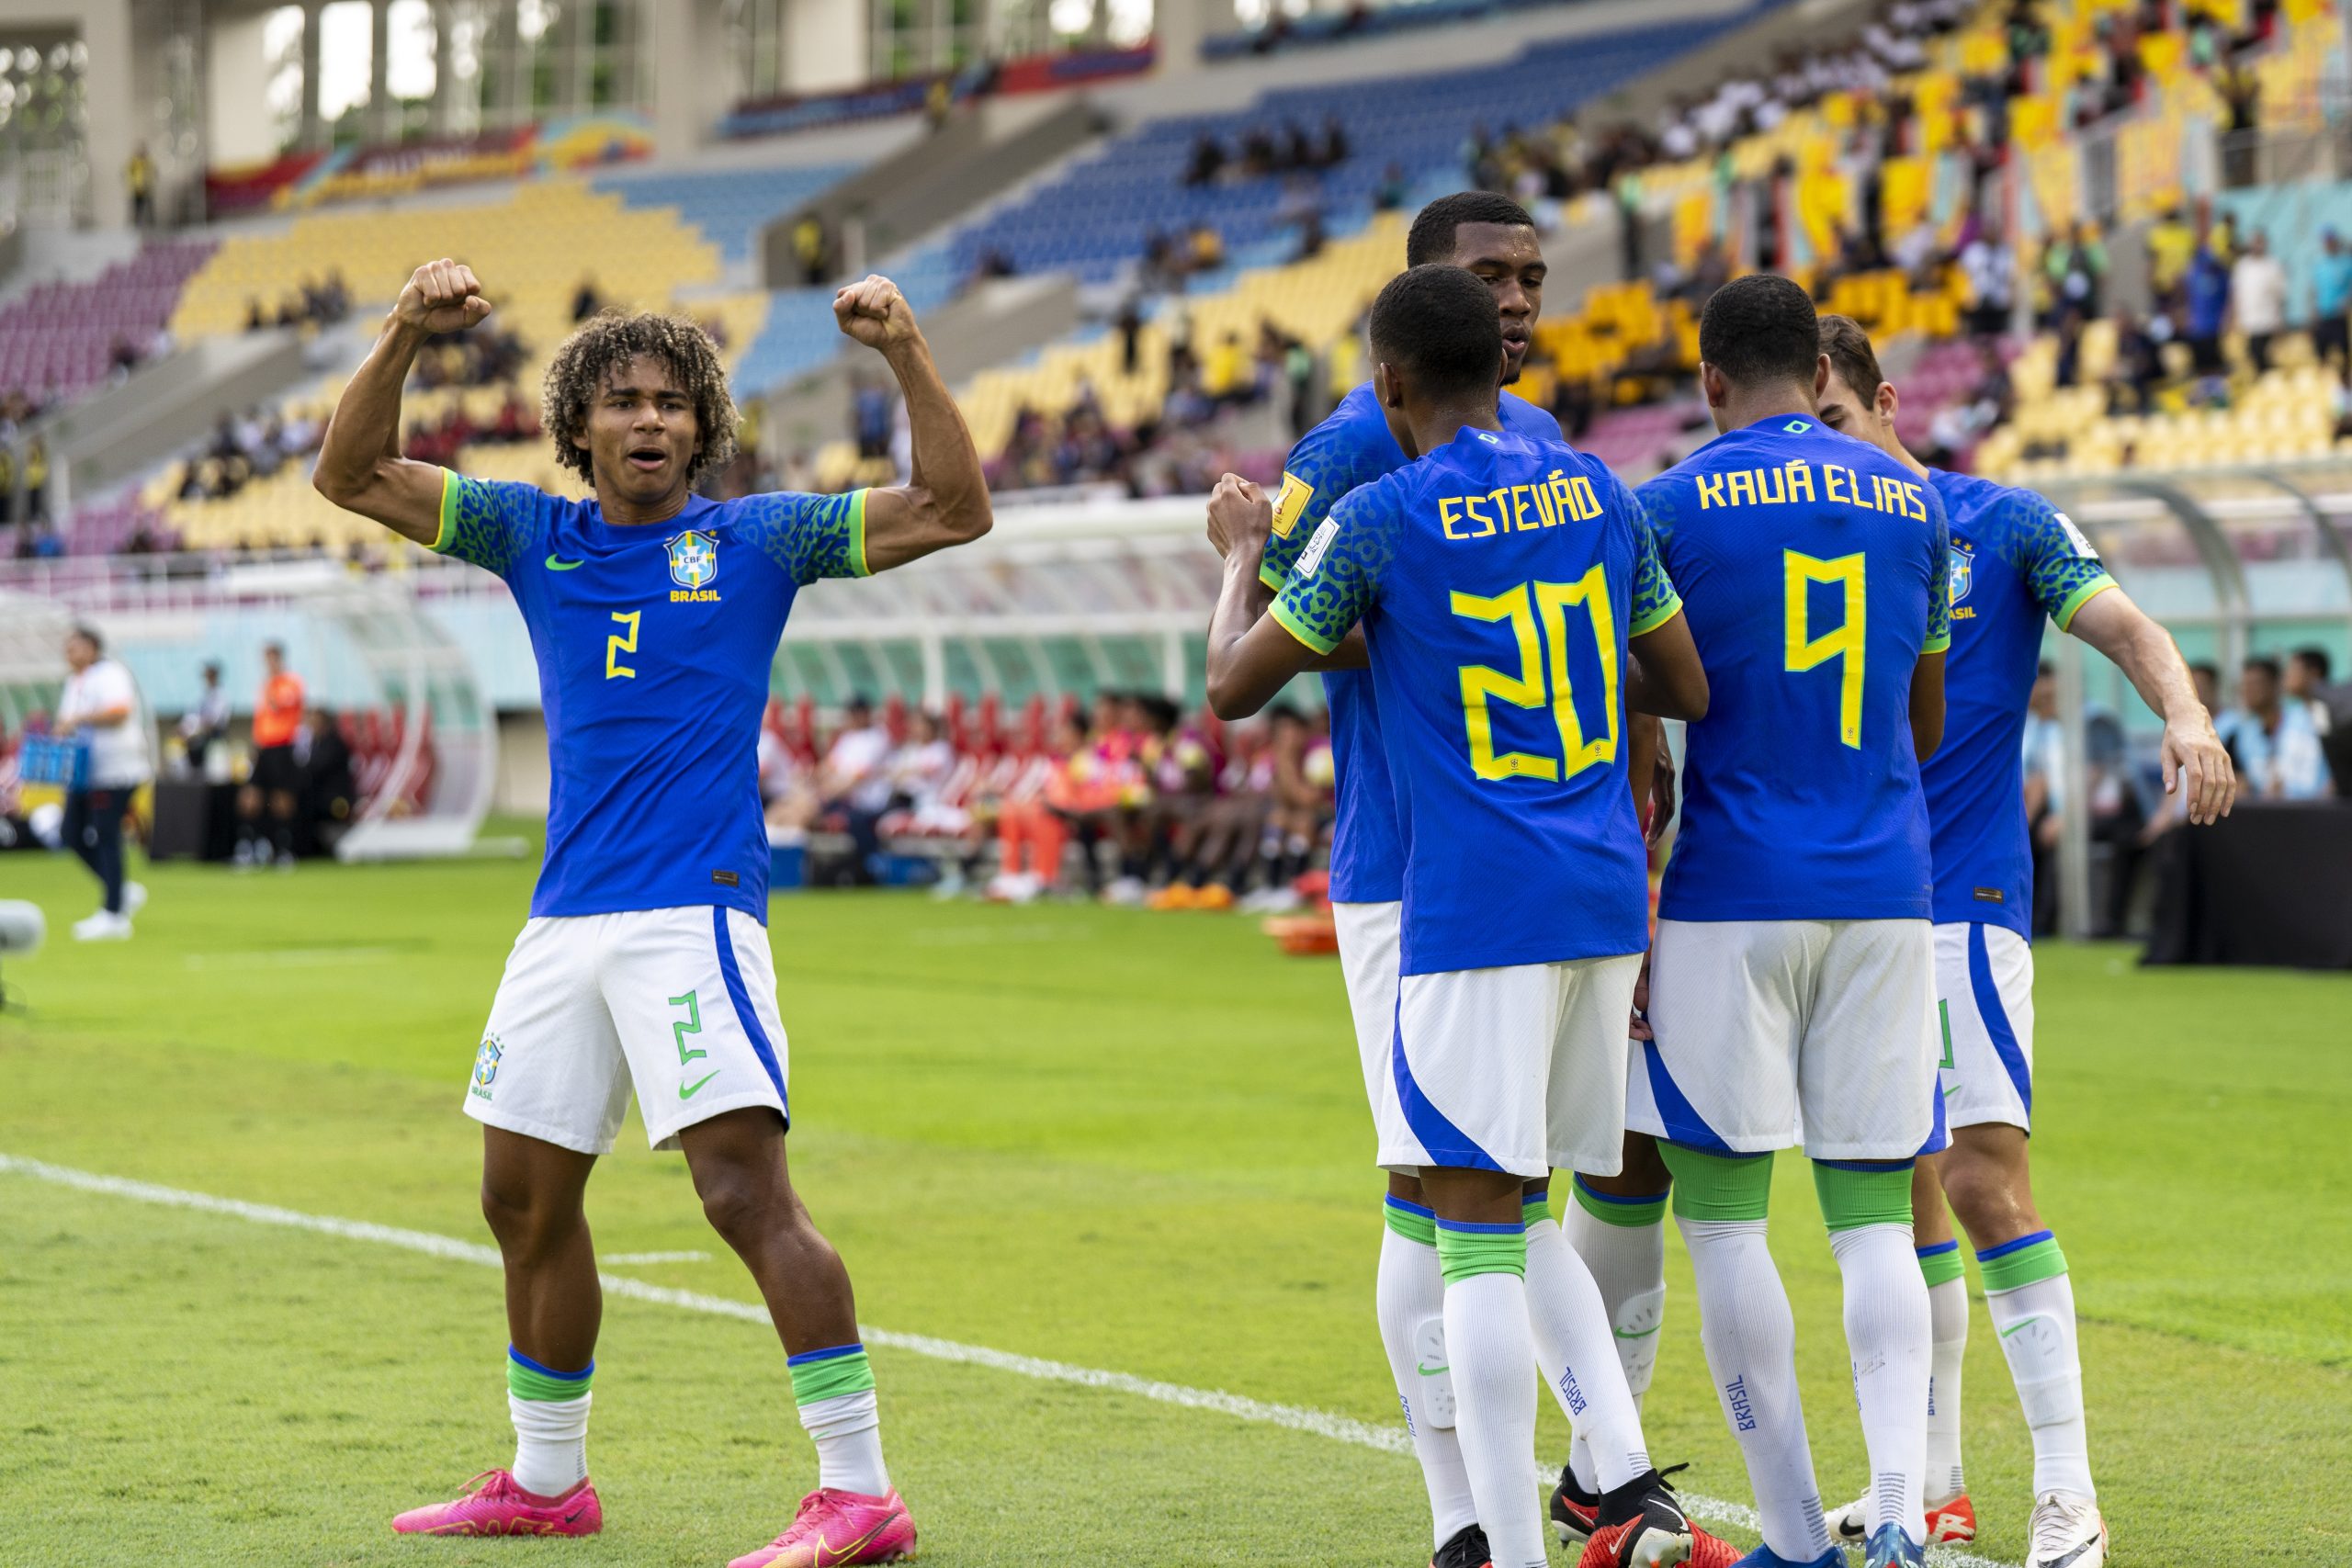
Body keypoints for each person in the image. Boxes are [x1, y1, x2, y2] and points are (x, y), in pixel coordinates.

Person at [311, 255, 989, 1562]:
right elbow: (348, 475)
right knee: (521, 1199)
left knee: (744, 1194)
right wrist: (401, 326)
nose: (650, 422)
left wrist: (904, 349)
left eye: (674, 403)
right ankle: (548, 1476)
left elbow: (956, 507)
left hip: (696, 911)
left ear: (704, 426)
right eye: (623, 401)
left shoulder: (759, 539)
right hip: (562, 919)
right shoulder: (530, 533)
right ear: (581, 426)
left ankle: (860, 1489)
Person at [1203, 261, 1719, 1568]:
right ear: (1502, 369)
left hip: (1468, 899)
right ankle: (1610, 1486)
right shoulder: (1597, 487)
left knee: (1462, 1213)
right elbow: (1686, 684)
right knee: (1519, 1194)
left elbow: (1233, 682)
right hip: (1603, 887)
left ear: (1388, 381)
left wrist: (1241, 555)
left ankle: (1499, 1540)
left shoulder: (1379, 516)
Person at [1812, 313, 2234, 1568]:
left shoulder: (2000, 523)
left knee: (1986, 1174)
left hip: (1962, 906)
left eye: (1836, 420)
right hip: (1848, 908)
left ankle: (2069, 1489)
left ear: (1889, 402)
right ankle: (1934, 1485)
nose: (1820, 447)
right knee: (1898, 1184)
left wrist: (2190, 715)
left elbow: (2128, 627)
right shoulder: (1802, 532)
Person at [1627, 275, 1951, 1568]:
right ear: (1823, 372)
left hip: (1731, 891)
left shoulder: (1666, 505)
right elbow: (1924, 724)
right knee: (1875, 1215)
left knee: (1723, 1219)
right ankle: (1903, 1516)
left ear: (1710, 382)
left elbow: (1638, 704)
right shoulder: (1913, 500)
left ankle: (1801, 1532)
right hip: (1884, 887)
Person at [55, 626, 152, 941]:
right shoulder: (74, 682)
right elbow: (66, 721)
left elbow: (120, 710)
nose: (70, 654)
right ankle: (120, 890)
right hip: (84, 772)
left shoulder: (110, 674)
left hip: (115, 770)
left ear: (93, 648)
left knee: (107, 835)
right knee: (70, 832)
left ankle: (114, 914)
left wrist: (80, 719)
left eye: (76, 647)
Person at [2221, 655, 2329, 798]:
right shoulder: (2242, 734)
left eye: (2255, 684)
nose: (2248, 691)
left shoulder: (2308, 719)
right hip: (2270, 814)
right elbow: (2243, 781)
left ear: (2276, 685)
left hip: (2320, 811)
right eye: (2244, 685)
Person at [236, 641, 305, 869]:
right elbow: (262, 718)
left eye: (272, 658)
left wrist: (273, 686)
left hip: (282, 747)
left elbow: (278, 707)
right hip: (264, 747)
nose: (269, 663)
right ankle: (251, 846)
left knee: (281, 800)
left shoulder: (289, 683)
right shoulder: (266, 685)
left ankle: (284, 849)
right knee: (250, 798)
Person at [820, 696, 895, 883]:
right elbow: (828, 768)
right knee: (796, 806)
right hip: (841, 798)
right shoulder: (847, 738)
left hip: (867, 803)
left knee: (807, 809)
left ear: (863, 715)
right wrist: (809, 782)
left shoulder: (878, 738)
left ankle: (871, 866)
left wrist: (825, 794)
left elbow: (858, 778)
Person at [2228, 230, 2288, 373]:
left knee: (2263, 356)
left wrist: (2279, 320)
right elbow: (2236, 293)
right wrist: (2233, 318)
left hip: (2267, 320)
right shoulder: (2242, 266)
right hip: (2248, 321)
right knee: (2251, 356)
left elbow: (2280, 295)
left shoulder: (2273, 266)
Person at [179, 660, 231, 773]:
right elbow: (194, 716)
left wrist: (197, 729)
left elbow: (214, 721)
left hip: (213, 738)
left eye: (209, 675)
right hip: (200, 738)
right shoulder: (204, 695)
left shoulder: (220, 695)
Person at [2312, 229, 2352, 367]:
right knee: (2321, 352)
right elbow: (2314, 290)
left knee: (2343, 351)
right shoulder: (2320, 264)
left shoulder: (2346, 262)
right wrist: (2314, 311)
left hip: (2339, 315)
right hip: (2324, 315)